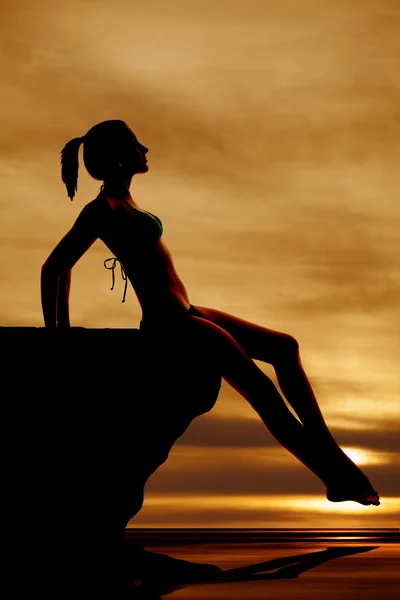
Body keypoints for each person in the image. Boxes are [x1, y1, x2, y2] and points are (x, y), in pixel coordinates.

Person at [41, 119, 380, 508]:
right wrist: (60, 335)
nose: (145, 150)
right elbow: (55, 267)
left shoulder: (128, 204)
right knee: (263, 392)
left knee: (284, 347)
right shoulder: (103, 209)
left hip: (187, 310)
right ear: (119, 157)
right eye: (137, 144)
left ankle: (330, 452)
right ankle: (335, 476)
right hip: (170, 324)